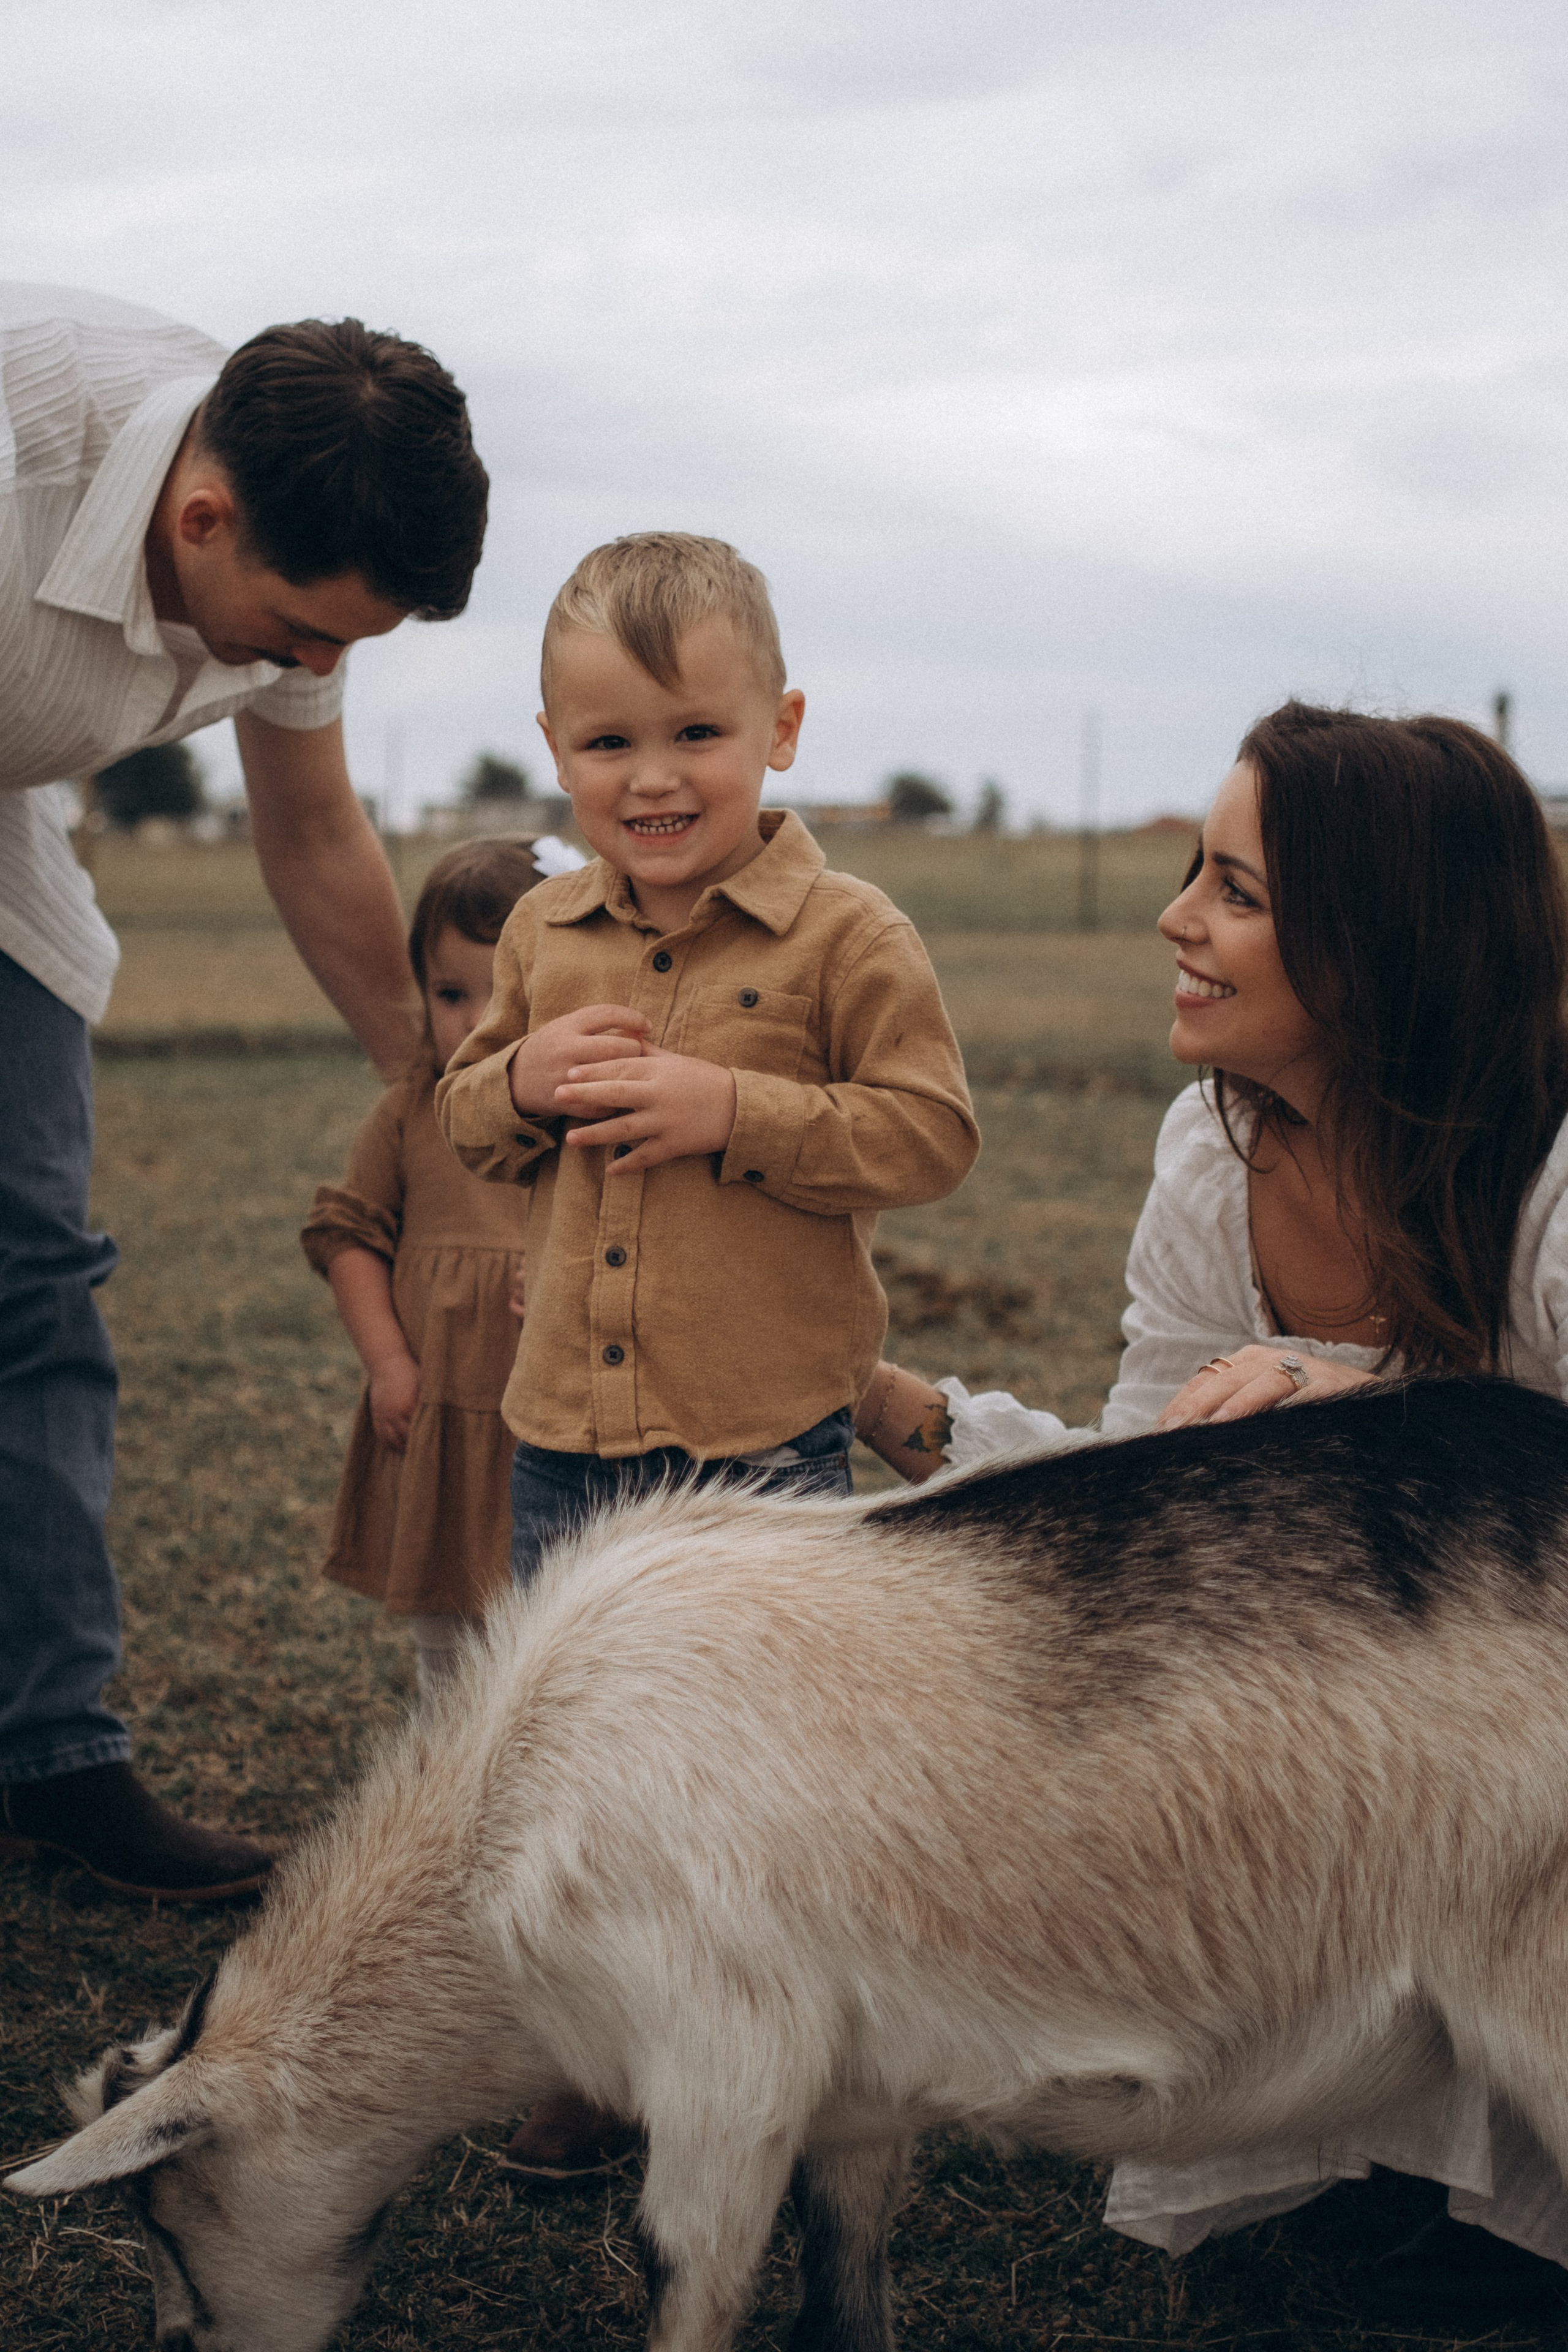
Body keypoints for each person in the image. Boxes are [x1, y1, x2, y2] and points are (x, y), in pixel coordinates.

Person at [856, 700, 1568, 2325]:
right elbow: (1148, 1501)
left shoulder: (1553, 1172)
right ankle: (1370, 2151)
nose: (1178, 917)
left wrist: (1361, 1414)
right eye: (1193, 872)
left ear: (1383, 939)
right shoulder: (1213, 1152)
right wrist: (911, 1420)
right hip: (1428, 1739)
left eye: (1235, 888)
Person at [437, 529, 979, 2178]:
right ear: (557, 754)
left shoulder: (847, 937)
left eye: (696, 735)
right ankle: (599, 2066)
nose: (653, 778)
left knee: (766, 1783)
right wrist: (523, 1086)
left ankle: (785, 2058)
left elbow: (930, 1133)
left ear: (783, 730)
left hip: (757, 1443)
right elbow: (461, 1114)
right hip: (567, 1441)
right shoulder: (543, 935)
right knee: (577, 1762)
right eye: (609, 743)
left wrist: (730, 1110)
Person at [0, 284, 488, 1901]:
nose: (315, 669)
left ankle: (50, 1761)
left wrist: (433, 1092)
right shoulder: (19, 451)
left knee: (37, 1289)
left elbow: (309, 832)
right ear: (199, 517)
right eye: (309, 634)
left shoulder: (282, 514)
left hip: (14, 836)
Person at [301, 835, 587, 1704]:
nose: (470, 1021)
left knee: (563, 1644)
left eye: (505, 994)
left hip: (564, 1427)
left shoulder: (596, 1118)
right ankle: (449, 1794)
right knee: (454, 1656)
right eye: (449, 993)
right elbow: (348, 1235)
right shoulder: (411, 1114)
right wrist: (389, 1362)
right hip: (441, 1419)